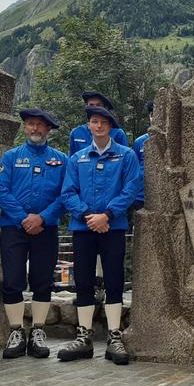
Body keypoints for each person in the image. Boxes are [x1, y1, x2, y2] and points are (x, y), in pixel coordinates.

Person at [58, 105, 141, 365]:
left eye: (104, 122)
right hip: (83, 229)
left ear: (111, 127)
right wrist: (87, 217)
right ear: (89, 126)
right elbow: (68, 193)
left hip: (112, 227)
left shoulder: (126, 156)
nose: (99, 126)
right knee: (83, 281)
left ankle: (114, 336)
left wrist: (107, 215)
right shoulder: (77, 158)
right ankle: (83, 337)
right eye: (94, 121)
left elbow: (131, 189)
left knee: (114, 280)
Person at [0, 108, 67, 359]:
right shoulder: (11, 157)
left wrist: (42, 217)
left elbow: (66, 195)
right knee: (12, 280)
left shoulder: (61, 160)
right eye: (31, 124)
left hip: (46, 228)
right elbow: (0, 190)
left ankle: (37, 331)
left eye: (40, 125)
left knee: (42, 281)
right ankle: (16, 332)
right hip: (14, 228)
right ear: (25, 128)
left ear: (48, 129)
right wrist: (23, 218)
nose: (35, 129)